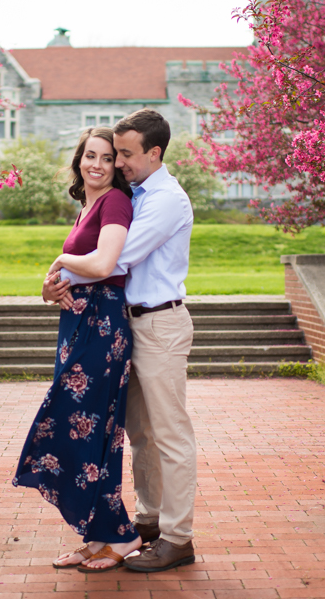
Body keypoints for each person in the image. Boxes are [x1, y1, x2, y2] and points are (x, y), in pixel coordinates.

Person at [45, 109, 197, 573]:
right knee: (141, 434)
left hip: (161, 325)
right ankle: (148, 523)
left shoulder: (166, 198)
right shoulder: (139, 193)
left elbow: (117, 259)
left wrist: (58, 266)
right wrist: (57, 283)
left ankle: (178, 538)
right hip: (130, 327)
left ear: (154, 153)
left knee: (170, 434)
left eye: (126, 154)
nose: (119, 163)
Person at [13, 126, 143, 573]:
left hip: (101, 329)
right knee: (84, 431)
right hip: (77, 324)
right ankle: (97, 536)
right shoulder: (86, 204)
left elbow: (104, 265)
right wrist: (49, 288)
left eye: (107, 159)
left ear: (116, 166)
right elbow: (71, 277)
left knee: (83, 429)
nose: (97, 165)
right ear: (79, 159)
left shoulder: (115, 202)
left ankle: (120, 536)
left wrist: (61, 260)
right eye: (90, 156)